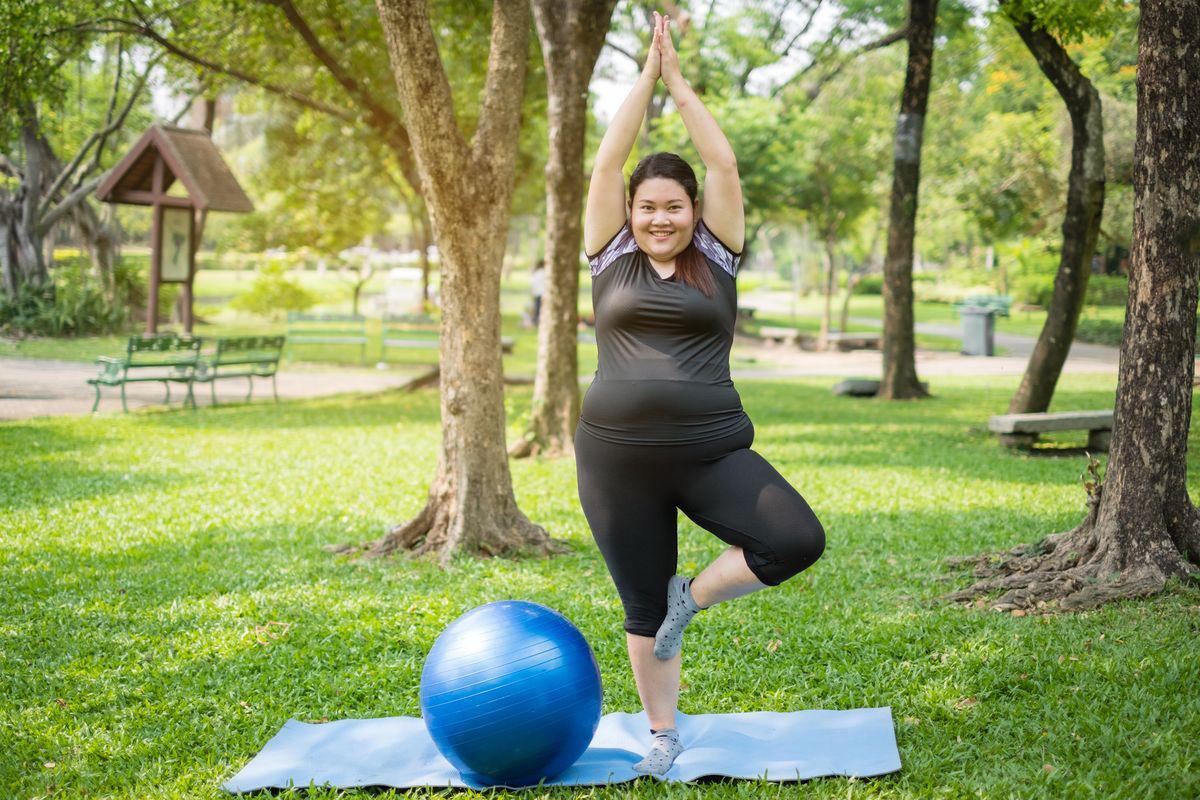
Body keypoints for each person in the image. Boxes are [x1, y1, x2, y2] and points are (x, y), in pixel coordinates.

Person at [574, 11, 826, 776]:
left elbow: (722, 166)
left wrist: (678, 85)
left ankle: (696, 596)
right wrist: (641, 81)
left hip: (712, 450)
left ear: (693, 213)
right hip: (616, 460)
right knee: (641, 612)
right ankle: (661, 736)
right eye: (647, 206)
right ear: (632, 213)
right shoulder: (608, 252)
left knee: (794, 540)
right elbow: (608, 163)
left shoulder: (717, 257)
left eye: (672, 207)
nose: (659, 218)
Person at [530, 259, 546, 326]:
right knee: (540, 309)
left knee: (537, 308)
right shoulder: (544, 273)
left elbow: (533, 284)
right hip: (542, 293)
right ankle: (538, 322)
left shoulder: (536, 273)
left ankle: (536, 321)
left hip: (537, 293)